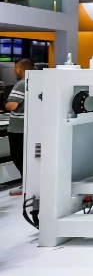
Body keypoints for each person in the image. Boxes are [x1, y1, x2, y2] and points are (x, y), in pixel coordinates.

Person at [5, 58, 34, 196]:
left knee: (18, 156)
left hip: (18, 128)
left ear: (18, 69)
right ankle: (30, 183)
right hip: (30, 125)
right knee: (27, 157)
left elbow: (12, 105)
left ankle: (27, 185)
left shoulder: (21, 84)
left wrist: (5, 105)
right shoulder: (37, 81)